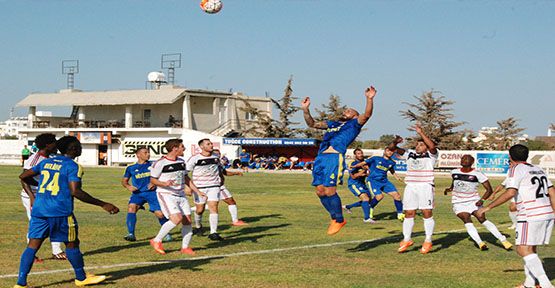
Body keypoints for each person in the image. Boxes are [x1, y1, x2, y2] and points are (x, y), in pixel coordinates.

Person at [15, 136, 119, 287]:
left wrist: (37, 191)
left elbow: (23, 176)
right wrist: (103, 204)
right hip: (60, 212)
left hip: (40, 210)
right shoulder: (73, 166)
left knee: (32, 246)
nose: (81, 148)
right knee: (72, 244)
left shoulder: (46, 162)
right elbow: (76, 191)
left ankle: (20, 283)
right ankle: (81, 278)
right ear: (74, 149)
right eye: (79, 146)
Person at [301, 85, 376, 235]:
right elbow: (312, 124)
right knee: (320, 191)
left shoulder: (354, 124)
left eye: (349, 110)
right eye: (345, 110)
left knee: (330, 190)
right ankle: (334, 218)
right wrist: (305, 110)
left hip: (334, 158)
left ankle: (340, 219)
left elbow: (367, 115)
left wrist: (369, 99)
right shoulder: (333, 124)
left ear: (355, 115)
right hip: (321, 157)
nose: (345, 111)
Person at [476, 144, 555, 288]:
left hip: (530, 214)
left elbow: (511, 192)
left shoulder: (515, 169)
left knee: (522, 249)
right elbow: (552, 192)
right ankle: (529, 283)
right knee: (531, 249)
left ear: (510, 156)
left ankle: (546, 285)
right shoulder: (538, 169)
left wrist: (487, 207)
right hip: (546, 213)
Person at [149, 139, 206, 255]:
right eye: (182, 146)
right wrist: (164, 184)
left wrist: (197, 191)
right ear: (175, 148)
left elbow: (186, 178)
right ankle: (156, 240)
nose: (184, 149)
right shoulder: (160, 163)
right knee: (176, 219)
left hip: (181, 194)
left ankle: (185, 247)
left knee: (187, 221)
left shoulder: (181, 161)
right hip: (166, 194)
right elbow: (153, 180)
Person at [444, 155, 512, 251]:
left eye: (466, 159)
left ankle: (503, 240)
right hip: (458, 202)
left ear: (472, 162)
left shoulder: (478, 174)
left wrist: (482, 200)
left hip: (474, 201)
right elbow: (455, 182)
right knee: (466, 219)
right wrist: (450, 189)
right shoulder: (454, 172)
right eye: (462, 158)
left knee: (482, 218)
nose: (463, 160)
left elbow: (489, 190)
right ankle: (480, 243)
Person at [20, 133, 66, 261]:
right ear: (47, 145)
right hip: (33, 195)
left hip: (48, 195)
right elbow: (24, 179)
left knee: (55, 220)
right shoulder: (34, 160)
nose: (56, 144)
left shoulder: (52, 157)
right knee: (35, 223)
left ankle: (57, 251)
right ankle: (31, 254)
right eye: (54, 142)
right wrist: (32, 197)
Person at [398, 124, 437, 254]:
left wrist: (421, 133)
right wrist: (394, 142)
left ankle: (428, 240)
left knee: (426, 212)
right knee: (409, 213)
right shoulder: (410, 154)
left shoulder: (431, 155)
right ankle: (407, 239)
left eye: (421, 144)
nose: (418, 146)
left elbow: (432, 146)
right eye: (417, 144)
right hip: (410, 186)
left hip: (425, 186)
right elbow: (393, 149)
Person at [121, 147, 171, 242]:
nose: (148, 154)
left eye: (148, 152)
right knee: (131, 207)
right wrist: (128, 187)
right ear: (138, 155)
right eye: (145, 152)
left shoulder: (153, 165)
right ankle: (131, 234)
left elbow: (164, 175)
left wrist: (154, 182)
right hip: (138, 194)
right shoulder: (131, 168)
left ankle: (166, 234)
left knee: (160, 214)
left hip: (152, 193)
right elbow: (124, 181)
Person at [351, 136, 406, 221]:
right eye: (388, 151)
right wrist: (354, 166)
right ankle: (371, 207)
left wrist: (397, 177)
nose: (390, 152)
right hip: (373, 181)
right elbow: (363, 162)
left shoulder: (392, 162)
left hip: (384, 181)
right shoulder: (375, 159)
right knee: (379, 196)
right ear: (385, 151)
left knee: (397, 195)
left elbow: (391, 170)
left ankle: (400, 214)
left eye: (391, 151)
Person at [188, 139, 226, 241]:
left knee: (213, 207)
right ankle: (198, 226)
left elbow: (219, 168)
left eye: (211, 143)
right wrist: (188, 187)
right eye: (208, 144)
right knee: (199, 210)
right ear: (201, 147)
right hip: (199, 188)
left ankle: (213, 232)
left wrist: (221, 177)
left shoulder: (215, 156)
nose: (211, 145)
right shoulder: (195, 158)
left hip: (214, 186)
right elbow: (185, 173)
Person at [213, 149, 247, 227]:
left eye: (219, 154)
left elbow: (225, 172)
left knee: (206, 205)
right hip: (218, 186)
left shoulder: (219, 163)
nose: (218, 155)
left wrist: (236, 173)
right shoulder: (213, 164)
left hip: (216, 186)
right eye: (216, 154)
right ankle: (235, 221)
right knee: (231, 202)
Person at [343, 148, 373, 223]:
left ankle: (347, 207)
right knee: (365, 199)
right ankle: (367, 218)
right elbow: (353, 176)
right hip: (354, 184)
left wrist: (366, 173)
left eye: (361, 153)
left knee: (368, 200)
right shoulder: (352, 163)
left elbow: (367, 173)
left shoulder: (364, 163)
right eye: (358, 153)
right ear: (355, 155)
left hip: (362, 183)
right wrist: (363, 170)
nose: (361, 155)